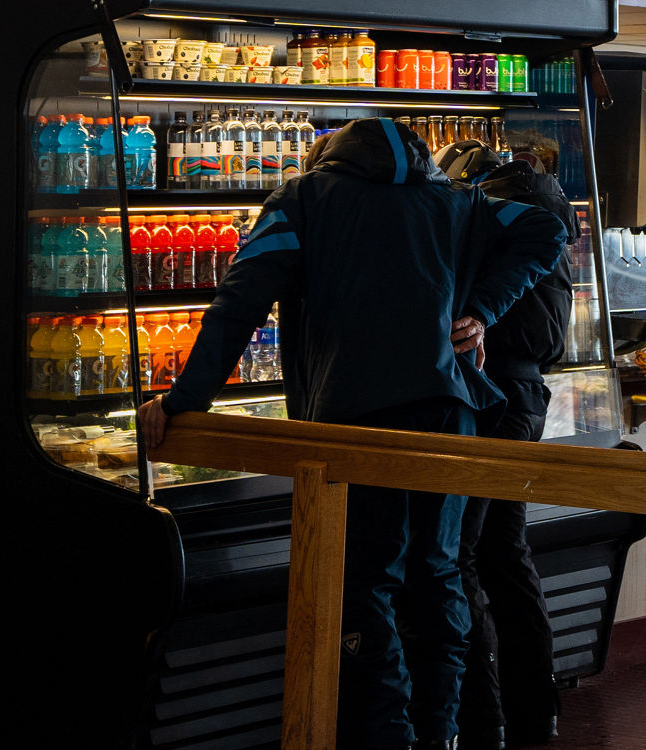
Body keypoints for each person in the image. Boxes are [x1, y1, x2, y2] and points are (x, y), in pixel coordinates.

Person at [141, 118, 566, 750]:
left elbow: (239, 304)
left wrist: (183, 402)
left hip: (352, 420)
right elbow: (548, 229)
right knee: (439, 578)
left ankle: (384, 737)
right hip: (448, 416)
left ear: (325, 159)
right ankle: (441, 735)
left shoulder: (302, 201)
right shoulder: (455, 200)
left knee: (366, 588)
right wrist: (482, 308)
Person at [454, 160, 578, 750]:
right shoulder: (550, 215)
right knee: (505, 552)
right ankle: (534, 709)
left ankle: (485, 718)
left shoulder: (498, 222)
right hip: (525, 395)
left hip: (490, 395)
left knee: (463, 557)